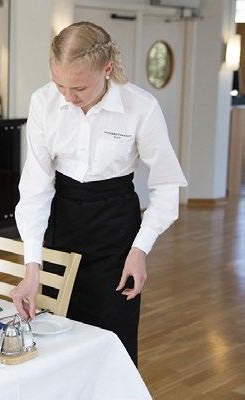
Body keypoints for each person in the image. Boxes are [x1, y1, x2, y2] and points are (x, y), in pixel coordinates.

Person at [10, 21, 187, 365]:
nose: (68, 96)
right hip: (63, 227)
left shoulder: (141, 107)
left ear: (107, 69)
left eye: (79, 87)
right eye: (60, 84)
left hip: (116, 237)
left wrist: (140, 248)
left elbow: (166, 185)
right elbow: (35, 189)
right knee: (57, 342)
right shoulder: (43, 102)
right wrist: (33, 268)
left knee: (113, 346)